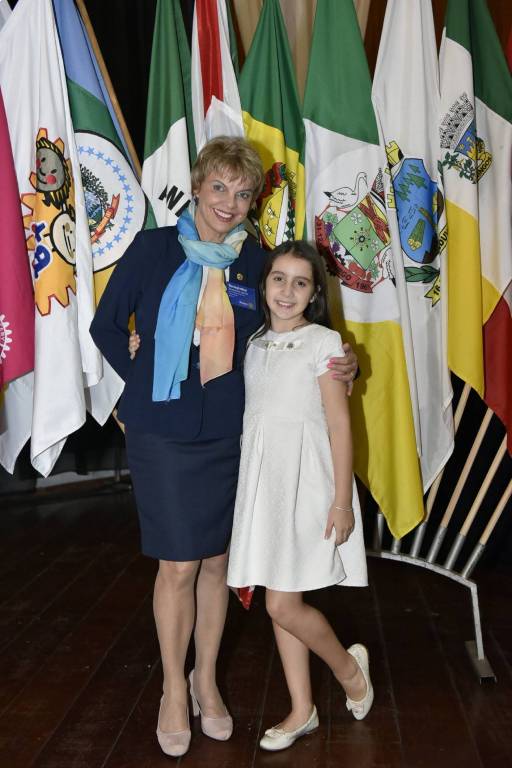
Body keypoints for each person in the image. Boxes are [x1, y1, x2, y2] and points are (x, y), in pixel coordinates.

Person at [90, 136, 359, 758]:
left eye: (242, 194)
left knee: (216, 564)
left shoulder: (256, 263)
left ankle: (205, 680)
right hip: (161, 432)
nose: (229, 203)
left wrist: (344, 362)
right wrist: (142, 376)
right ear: (197, 186)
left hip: (230, 434)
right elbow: (105, 326)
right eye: (219, 187)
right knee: (178, 565)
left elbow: (292, 327)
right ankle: (172, 688)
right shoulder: (153, 249)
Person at [227, 240, 373, 752]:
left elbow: (339, 425)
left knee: (281, 604)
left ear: (314, 294)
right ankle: (301, 709)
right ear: (263, 284)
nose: (287, 291)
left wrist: (341, 501)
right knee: (280, 595)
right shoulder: (253, 342)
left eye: (300, 282)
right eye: (278, 279)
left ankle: (347, 668)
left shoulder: (324, 343)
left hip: (307, 483)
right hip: (263, 484)